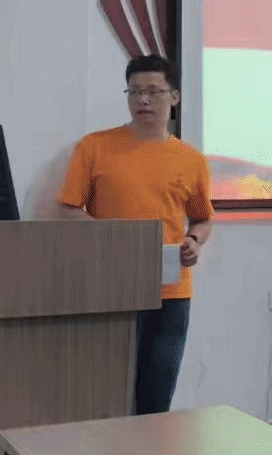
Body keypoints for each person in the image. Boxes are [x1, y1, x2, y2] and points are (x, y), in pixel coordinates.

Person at [60, 55, 214, 416]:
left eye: (153, 91)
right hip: (109, 288)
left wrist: (194, 241)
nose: (143, 100)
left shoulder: (191, 159)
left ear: (174, 96)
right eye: (134, 91)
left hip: (170, 294)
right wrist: (115, 241)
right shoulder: (94, 147)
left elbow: (203, 219)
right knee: (106, 396)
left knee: (156, 397)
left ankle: (152, 454)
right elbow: (67, 210)